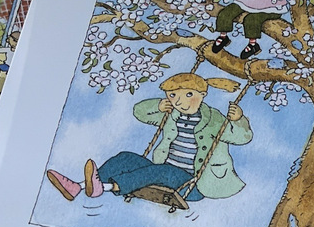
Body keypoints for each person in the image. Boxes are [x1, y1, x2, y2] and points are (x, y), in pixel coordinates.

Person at [45, 72, 252, 204]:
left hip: (191, 184)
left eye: (188, 95)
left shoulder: (214, 119)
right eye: (172, 95)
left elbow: (242, 137)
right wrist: (158, 106)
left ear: (202, 95)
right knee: (126, 157)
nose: (179, 101)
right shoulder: (171, 114)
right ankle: (79, 186)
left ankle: (108, 187)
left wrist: (239, 119)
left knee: (162, 171)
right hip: (164, 173)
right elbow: (139, 112)